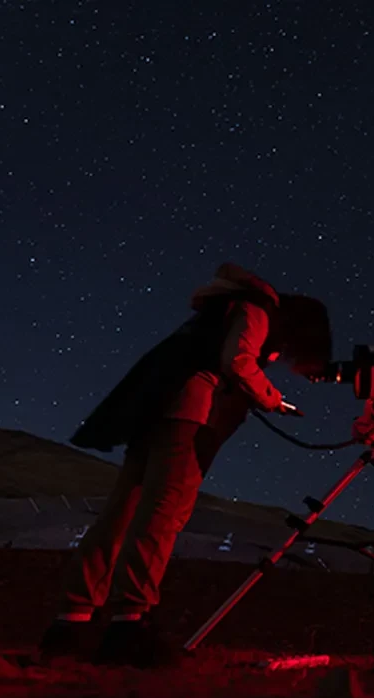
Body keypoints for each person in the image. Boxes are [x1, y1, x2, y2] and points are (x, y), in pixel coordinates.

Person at [37, 262, 332, 667]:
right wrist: (271, 398)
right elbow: (238, 362)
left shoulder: (222, 308)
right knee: (163, 513)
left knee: (120, 515)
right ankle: (128, 626)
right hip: (188, 416)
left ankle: (70, 622)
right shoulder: (258, 310)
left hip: (153, 411)